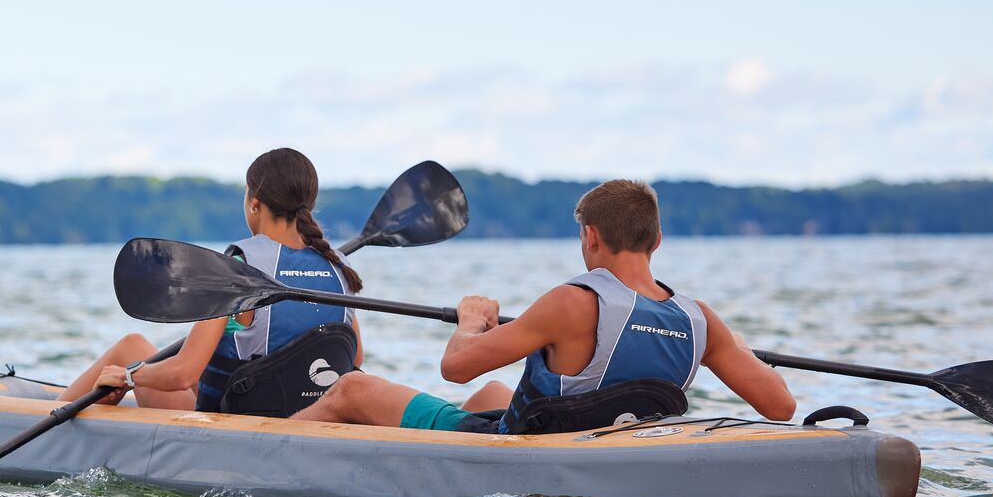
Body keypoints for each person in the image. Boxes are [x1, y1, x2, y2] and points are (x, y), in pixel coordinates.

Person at [292, 179, 795, 433]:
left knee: (354, 387)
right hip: (600, 444)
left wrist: (471, 325)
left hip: (524, 449)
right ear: (656, 240)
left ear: (591, 236)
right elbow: (781, 407)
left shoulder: (572, 303)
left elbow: (455, 366)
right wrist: (735, 347)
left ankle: (244, 443)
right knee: (494, 390)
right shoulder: (699, 320)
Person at [57, 148, 366, 418]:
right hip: (304, 417)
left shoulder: (237, 268)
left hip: (232, 423)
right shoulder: (339, 268)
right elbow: (353, 358)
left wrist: (128, 377)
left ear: (254, 203)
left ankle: (39, 418)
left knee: (131, 347)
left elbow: (182, 373)